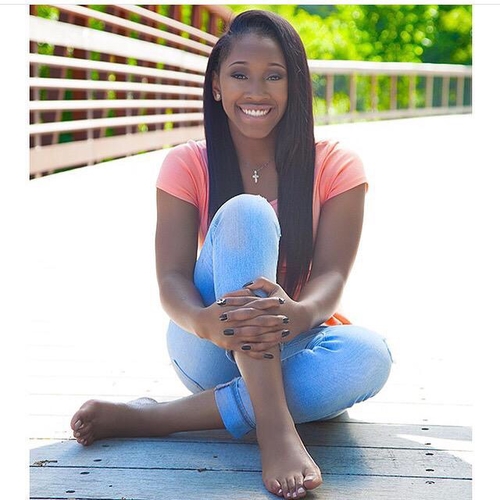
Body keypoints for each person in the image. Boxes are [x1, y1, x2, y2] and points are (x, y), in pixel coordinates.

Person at [70, 10, 392, 499]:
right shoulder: (187, 164)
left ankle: (155, 418)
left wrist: (299, 313)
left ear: (295, 85)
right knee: (247, 212)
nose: (256, 91)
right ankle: (276, 429)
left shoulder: (336, 165)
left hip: (292, 334)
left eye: (274, 76)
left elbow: (331, 275)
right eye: (240, 74)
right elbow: (171, 279)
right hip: (208, 342)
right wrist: (204, 323)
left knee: (369, 357)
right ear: (217, 86)